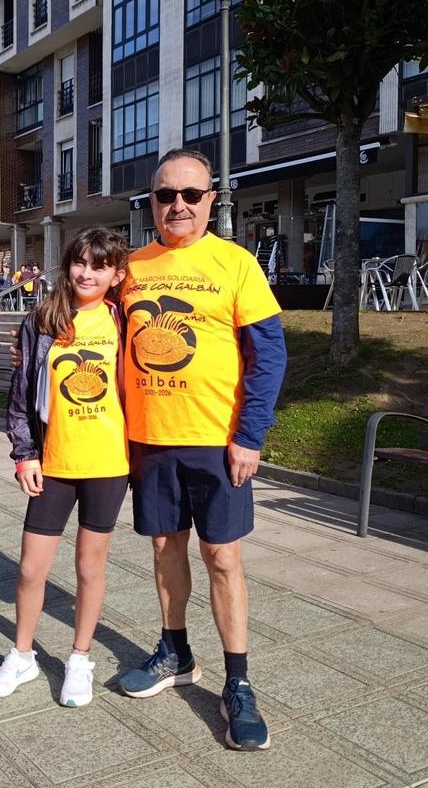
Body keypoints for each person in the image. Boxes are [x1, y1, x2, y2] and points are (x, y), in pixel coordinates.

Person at [116, 148, 286, 752]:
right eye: (167, 196)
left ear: (212, 200)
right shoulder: (130, 267)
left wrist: (250, 436)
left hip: (218, 443)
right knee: (165, 547)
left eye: (192, 195)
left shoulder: (236, 264)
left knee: (222, 557)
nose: (179, 206)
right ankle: (175, 651)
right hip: (151, 440)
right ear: (152, 203)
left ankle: (237, 683)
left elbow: (270, 356)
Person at [0, 227, 130, 708]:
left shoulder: (123, 321)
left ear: (116, 274)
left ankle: (79, 658)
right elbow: (22, 393)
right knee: (31, 569)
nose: (87, 273)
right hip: (54, 461)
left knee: (90, 567)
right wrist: (24, 453)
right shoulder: (43, 319)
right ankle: (22, 654)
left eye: (100, 266)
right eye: (80, 263)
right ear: (68, 265)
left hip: (108, 462)